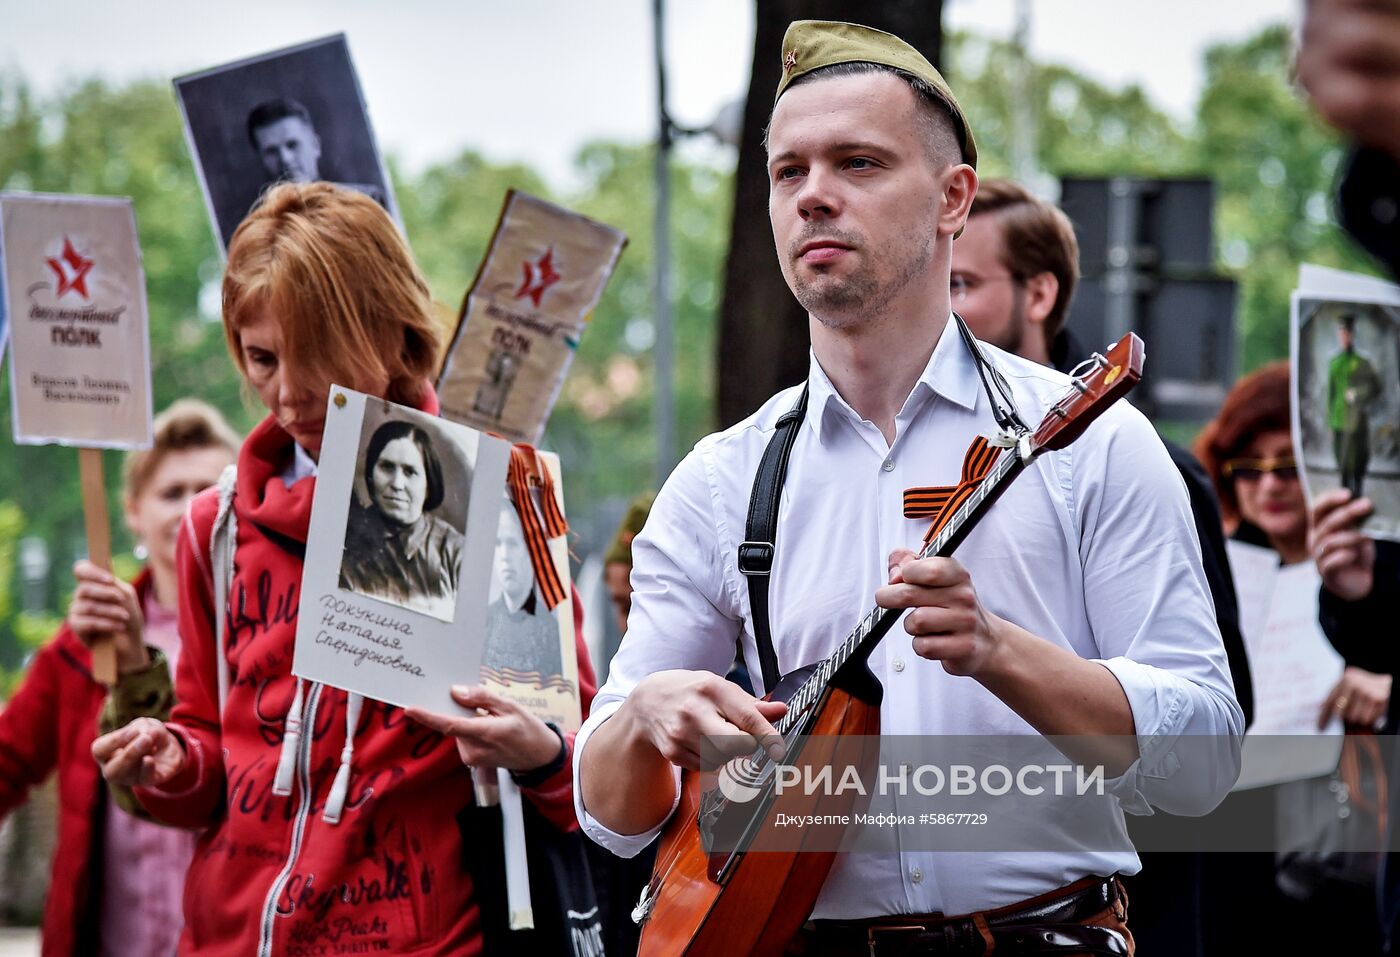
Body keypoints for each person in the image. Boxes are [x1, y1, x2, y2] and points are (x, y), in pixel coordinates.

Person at [575, 20, 1242, 953]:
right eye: (788, 172)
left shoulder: (1093, 443)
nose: (814, 197)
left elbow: (1203, 763)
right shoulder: (721, 481)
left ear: (952, 197)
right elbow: (611, 814)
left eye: (858, 163)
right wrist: (645, 716)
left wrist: (1000, 652)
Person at [90, 182, 596, 956]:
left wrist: (537, 749)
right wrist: (171, 758)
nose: (286, 394)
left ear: (394, 336)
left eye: (319, 361)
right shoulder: (212, 528)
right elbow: (207, 757)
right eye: (261, 358)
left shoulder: (497, 492)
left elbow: (585, 772)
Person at [953, 177, 1256, 956]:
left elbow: (1209, 720)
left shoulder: (1133, 459)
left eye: (964, 283)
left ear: (1040, 292)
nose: (943, 306)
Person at [0, 399, 238, 956]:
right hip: (109, 937)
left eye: (209, 490)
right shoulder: (86, 643)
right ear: (132, 511)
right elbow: (9, 759)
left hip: (226, 937)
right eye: (171, 492)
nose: (191, 508)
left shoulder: (265, 636)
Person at [1196, 361, 1388, 954]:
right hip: (1232, 826)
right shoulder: (1211, 561)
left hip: (1338, 832)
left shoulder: (1383, 568)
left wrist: (1383, 676)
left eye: (1289, 465)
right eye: (1249, 468)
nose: (1270, 485)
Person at [339, 418, 463, 619]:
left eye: (410, 472)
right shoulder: (343, 538)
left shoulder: (455, 552)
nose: (397, 483)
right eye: (387, 467)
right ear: (370, 474)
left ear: (428, 483)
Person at [481, 500, 565, 684]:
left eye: (513, 543)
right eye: (497, 543)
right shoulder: (483, 623)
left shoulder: (551, 631)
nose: (504, 556)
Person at [1328, 313, 1383, 498]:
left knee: (1358, 461)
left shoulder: (1362, 363)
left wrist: (1358, 394)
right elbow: (1331, 393)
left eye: (1347, 333)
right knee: (1342, 462)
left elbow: (1376, 387)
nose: (1344, 338)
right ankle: (1344, 497)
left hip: (1357, 420)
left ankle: (1357, 495)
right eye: (1341, 334)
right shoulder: (1334, 363)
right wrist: (1330, 420)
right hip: (1339, 419)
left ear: (1352, 335)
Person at [246, 98, 322, 184]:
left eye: (292, 145)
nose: (285, 158)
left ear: (316, 145)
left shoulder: (340, 196)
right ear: (260, 158)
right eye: (271, 151)